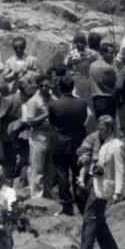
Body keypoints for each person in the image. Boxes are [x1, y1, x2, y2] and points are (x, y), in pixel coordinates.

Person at [74, 116, 125, 249]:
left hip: (103, 187)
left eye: (102, 129)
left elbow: (120, 170)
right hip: (93, 181)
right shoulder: (95, 138)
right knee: (98, 219)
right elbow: (81, 151)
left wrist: (118, 192)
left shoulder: (117, 145)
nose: (99, 132)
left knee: (89, 218)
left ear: (109, 129)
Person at [48, 75, 88, 216]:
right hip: (77, 142)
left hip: (60, 143)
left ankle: (67, 206)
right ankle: (82, 204)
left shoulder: (54, 105)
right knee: (78, 173)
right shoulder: (82, 103)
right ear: (73, 87)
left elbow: (52, 123)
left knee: (62, 174)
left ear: (59, 88)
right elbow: (83, 120)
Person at [20, 73, 52, 200]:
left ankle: (48, 197)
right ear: (39, 86)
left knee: (49, 169)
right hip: (38, 135)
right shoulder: (34, 101)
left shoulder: (51, 98)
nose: (45, 88)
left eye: (47, 86)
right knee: (36, 168)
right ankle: (36, 198)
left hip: (50, 134)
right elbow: (30, 121)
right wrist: (47, 114)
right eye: (42, 86)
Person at [89, 41, 118, 118]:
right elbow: (117, 82)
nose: (113, 56)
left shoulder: (92, 65)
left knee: (101, 125)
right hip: (107, 100)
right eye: (111, 53)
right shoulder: (108, 68)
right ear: (103, 53)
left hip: (96, 100)